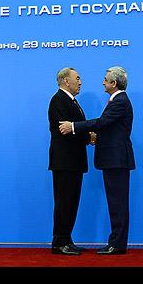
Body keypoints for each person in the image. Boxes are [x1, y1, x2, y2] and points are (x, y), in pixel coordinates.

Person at [59, 66, 135, 255]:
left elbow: (102, 123)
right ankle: (116, 242)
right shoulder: (117, 100)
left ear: (114, 83)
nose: (103, 82)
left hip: (116, 160)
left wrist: (74, 126)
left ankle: (117, 245)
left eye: (105, 79)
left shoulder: (120, 101)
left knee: (118, 203)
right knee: (115, 202)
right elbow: (107, 127)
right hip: (114, 160)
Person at [48, 67, 95, 255]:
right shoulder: (58, 100)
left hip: (73, 162)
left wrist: (86, 135)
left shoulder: (72, 101)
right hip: (65, 162)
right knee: (64, 202)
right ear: (66, 81)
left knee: (71, 202)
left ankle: (67, 239)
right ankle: (59, 243)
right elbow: (65, 131)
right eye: (77, 78)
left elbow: (74, 128)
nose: (81, 82)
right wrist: (88, 138)